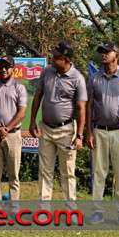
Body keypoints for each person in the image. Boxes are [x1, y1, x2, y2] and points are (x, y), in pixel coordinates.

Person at [85, 42, 119, 228]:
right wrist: (88, 133)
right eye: (102, 52)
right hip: (99, 131)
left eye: (107, 52)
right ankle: (97, 213)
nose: (103, 55)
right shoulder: (95, 78)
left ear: (117, 55)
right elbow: (89, 106)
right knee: (99, 173)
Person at [29, 41, 87, 206]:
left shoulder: (78, 78)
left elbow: (81, 109)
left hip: (67, 131)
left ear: (66, 59)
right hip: (46, 128)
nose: (52, 59)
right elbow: (38, 96)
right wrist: (33, 121)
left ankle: (70, 209)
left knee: (67, 172)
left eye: (56, 57)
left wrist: (79, 136)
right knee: (45, 170)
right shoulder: (47, 72)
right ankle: (43, 208)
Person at [0, 55, 27, 208]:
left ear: (13, 69)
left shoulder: (19, 88)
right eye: (1, 67)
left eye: (7, 66)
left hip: (13, 135)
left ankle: (14, 208)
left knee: (13, 175)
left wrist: (7, 129)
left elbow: (22, 112)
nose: (3, 70)